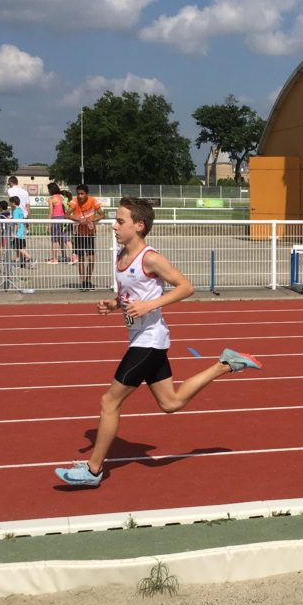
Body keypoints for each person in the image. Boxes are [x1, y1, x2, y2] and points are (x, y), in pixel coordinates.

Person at [55, 197, 261, 487]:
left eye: (120, 221)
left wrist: (151, 305)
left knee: (109, 402)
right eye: (115, 220)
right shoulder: (120, 256)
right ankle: (226, 363)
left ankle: (93, 471)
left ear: (139, 226)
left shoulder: (150, 258)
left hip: (149, 341)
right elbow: (131, 295)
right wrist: (114, 304)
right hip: (142, 338)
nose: (113, 225)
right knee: (171, 402)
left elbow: (186, 287)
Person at [69, 184, 103, 288]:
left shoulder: (93, 200)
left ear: (87, 194)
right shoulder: (74, 201)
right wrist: (78, 220)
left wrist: (92, 220)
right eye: (78, 193)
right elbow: (66, 215)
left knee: (91, 259)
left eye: (82, 194)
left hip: (90, 233)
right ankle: (83, 282)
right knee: (81, 259)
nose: (80, 196)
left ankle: (88, 280)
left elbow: (102, 214)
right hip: (79, 234)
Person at [46, 181, 75, 264]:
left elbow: (51, 212)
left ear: (51, 190)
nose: (48, 191)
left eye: (48, 189)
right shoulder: (62, 197)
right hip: (64, 219)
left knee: (54, 240)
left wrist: (48, 224)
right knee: (66, 239)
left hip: (56, 219)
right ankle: (74, 256)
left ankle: (54, 259)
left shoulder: (51, 199)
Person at [9, 196, 33, 268]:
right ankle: (21, 262)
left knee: (18, 248)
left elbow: (16, 223)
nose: (10, 204)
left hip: (18, 232)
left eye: (10, 203)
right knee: (21, 247)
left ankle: (30, 258)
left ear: (13, 203)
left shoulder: (15, 211)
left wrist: (13, 233)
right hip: (22, 231)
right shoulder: (20, 210)